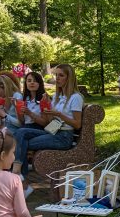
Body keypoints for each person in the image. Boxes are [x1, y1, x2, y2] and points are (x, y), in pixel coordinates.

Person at [11, 64, 83, 199]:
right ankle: (20, 176)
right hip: (53, 131)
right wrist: (46, 108)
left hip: (64, 137)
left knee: (21, 141)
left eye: (61, 75)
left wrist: (59, 115)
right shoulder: (56, 96)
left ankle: (21, 179)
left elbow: (77, 125)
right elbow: (50, 121)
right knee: (20, 133)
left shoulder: (75, 97)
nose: (57, 78)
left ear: (70, 77)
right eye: (56, 75)